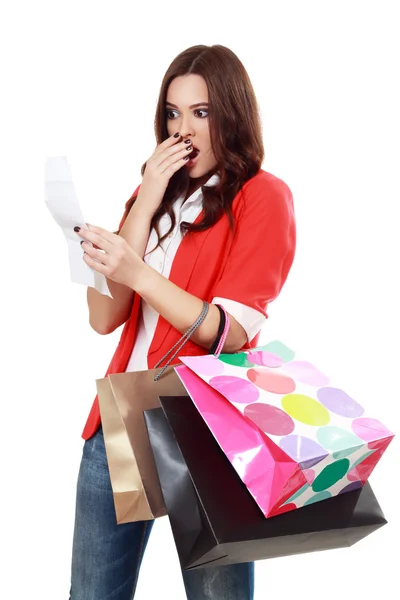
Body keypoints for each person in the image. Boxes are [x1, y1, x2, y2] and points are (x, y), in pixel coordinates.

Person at [69, 44, 296, 600]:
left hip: (209, 427)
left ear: (233, 114)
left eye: (203, 112)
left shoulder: (263, 196)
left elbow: (230, 331)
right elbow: (104, 318)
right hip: (123, 417)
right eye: (173, 113)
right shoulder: (153, 195)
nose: (185, 129)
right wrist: (144, 201)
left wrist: (139, 274)